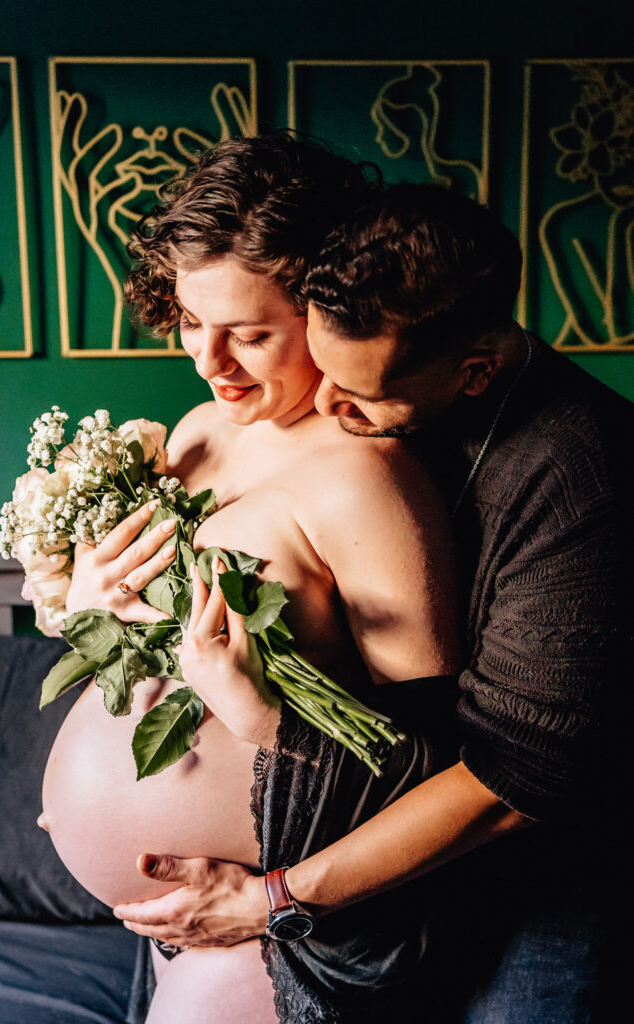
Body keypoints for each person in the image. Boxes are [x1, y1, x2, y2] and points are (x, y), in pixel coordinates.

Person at [113, 181, 633, 1022]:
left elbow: (518, 779)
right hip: (391, 856)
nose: (324, 405)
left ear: (475, 373)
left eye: (355, 393)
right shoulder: (382, 394)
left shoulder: (577, 482)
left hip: (549, 865)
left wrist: (277, 899)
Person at [38, 138, 463, 1024]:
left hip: (271, 924)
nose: (210, 362)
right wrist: (85, 608)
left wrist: (254, 715)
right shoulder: (197, 430)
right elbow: (150, 642)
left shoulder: (364, 480)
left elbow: (429, 770)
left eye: (251, 334)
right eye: (193, 321)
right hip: (168, 917)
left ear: (321, 311)